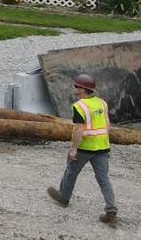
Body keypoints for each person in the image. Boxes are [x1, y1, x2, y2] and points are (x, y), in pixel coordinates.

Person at [47, 74, 117, 227]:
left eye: (76, 86)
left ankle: (63, 197)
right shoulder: (102, 103)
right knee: (104, 180)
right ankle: (111, 212)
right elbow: (107, 124)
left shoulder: (79, 106)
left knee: (71, 171)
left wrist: (74, 149)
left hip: (85, 147)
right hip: (103, 146)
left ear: (82, 90)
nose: (74, 88)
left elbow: (79, 130)